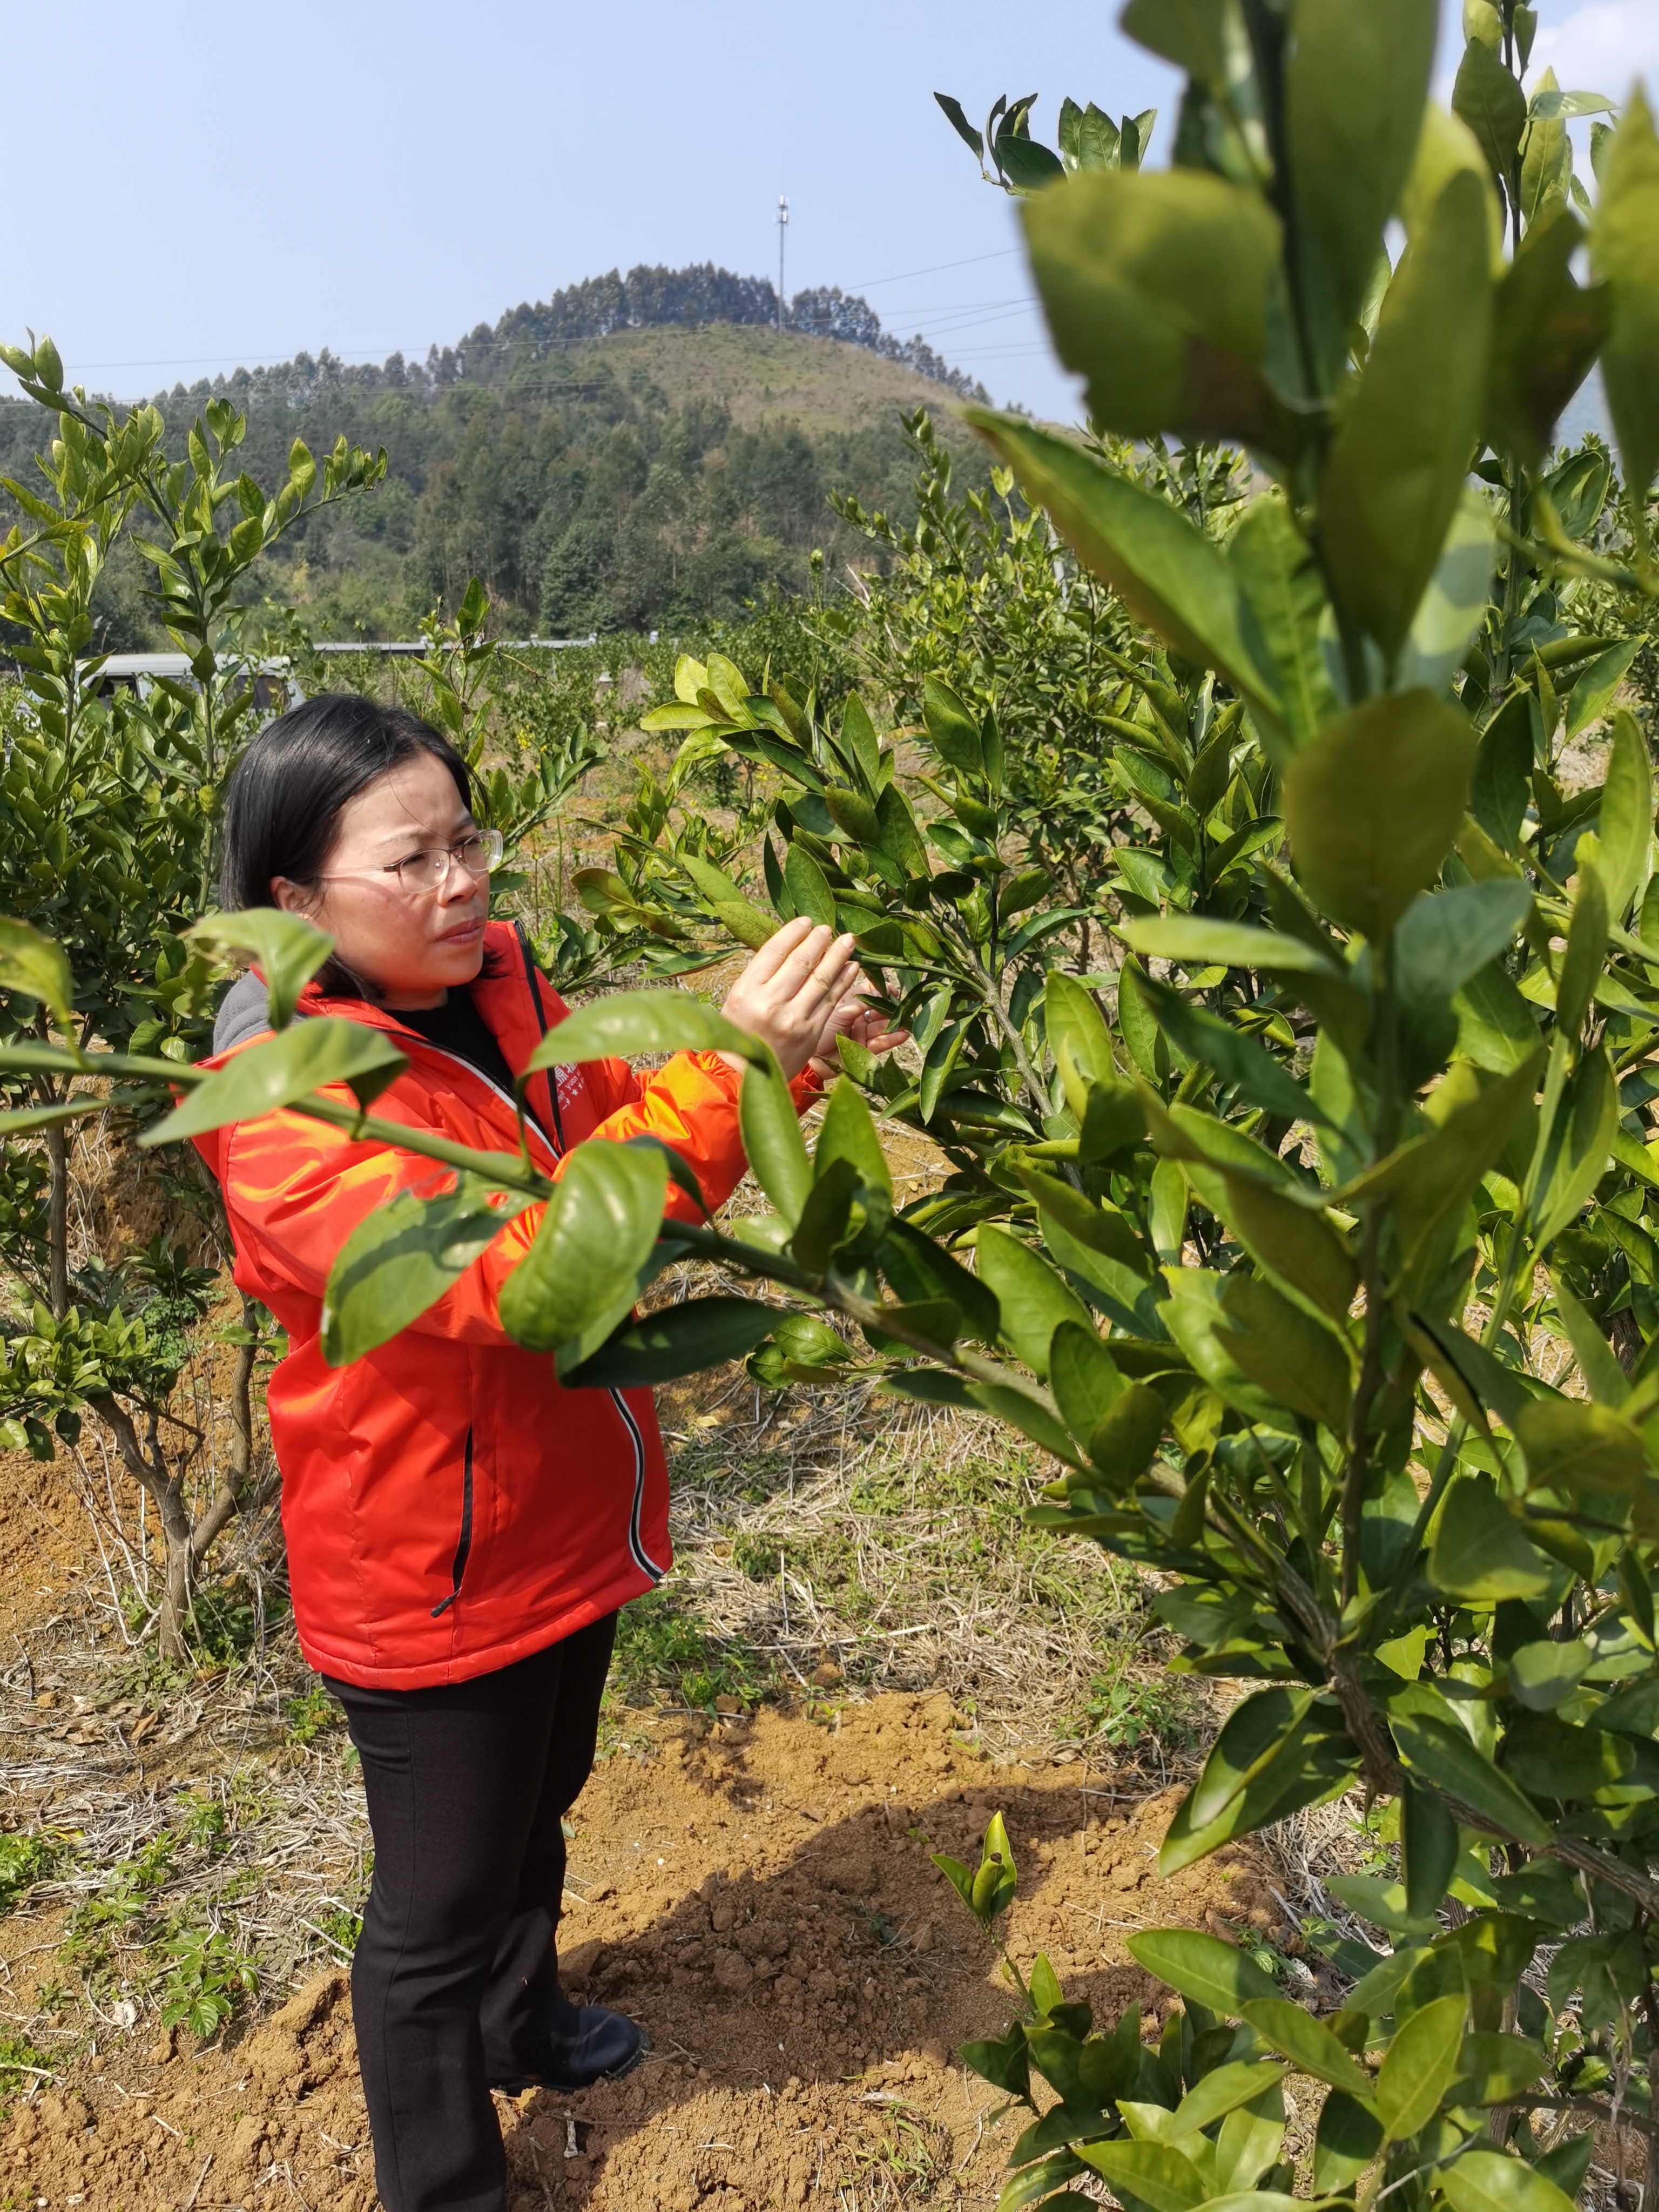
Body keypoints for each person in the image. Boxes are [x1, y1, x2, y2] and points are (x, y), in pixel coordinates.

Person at [194, 692, 905, 2212]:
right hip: (427, 1570)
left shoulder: (505, 980)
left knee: (540, 1802)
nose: (464, 882)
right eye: (414, 859)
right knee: (435, 1908)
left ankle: (528, 2027)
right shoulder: (283, 1111)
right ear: (294, 905)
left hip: (559, 1514)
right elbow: (531, 1275)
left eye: (469, 840)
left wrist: (775, 1064)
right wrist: (733, 1069)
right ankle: (445, 2184)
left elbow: (612, 1136)